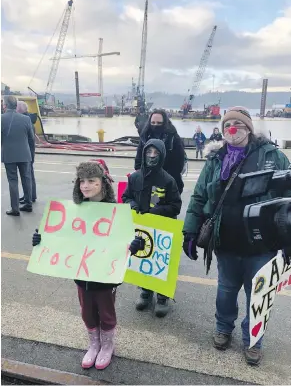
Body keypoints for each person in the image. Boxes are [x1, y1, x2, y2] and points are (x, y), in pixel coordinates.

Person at [182, 106, 291, 366]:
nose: (232, 130)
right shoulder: (215, 159)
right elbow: (198, 197)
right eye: (228, 124)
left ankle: (253, 340)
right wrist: (189, 230)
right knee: (226, 291)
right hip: (226, 241)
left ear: (249, 128)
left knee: (259, 296)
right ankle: (223, 328)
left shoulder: (272, 155)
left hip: (263, 245)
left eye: (238, 125)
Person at [32, 160, 139, 370]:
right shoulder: (74, 210)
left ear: (103, 183)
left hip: (106, 277)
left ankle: (107, 345)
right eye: (82, 181)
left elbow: (126, 242)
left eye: (91, 180)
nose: (85, 186)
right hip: (81, 275)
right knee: (87, 311)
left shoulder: (115, 211)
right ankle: (94, 343)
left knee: (106, 312)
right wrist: (40, 240)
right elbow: (60, 236)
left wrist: (135, 245)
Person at [123, 139, 182, 317]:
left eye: (156, 153)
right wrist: (132, 205)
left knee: (161, 261)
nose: (152, 156)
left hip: (162, 228)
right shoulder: (134, 177)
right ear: (144, 154)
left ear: (162, 155)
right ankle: (145, 292)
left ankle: (162, 297)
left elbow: (176, 206)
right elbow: (126, 197)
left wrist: (155, 211)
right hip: (141, 228)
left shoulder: (168, 180)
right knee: (144, 260)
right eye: (149, 152)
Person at [134, 109, 185, 194]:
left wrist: (166, 179)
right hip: (146, 181)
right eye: (153, 123)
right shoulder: (145, 136)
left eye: (159, 123)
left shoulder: (173, 138)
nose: (155, 125)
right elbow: (138, 159)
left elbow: (178, 163)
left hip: (169, 182)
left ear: (164, 123)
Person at [1, 95, 35, 216]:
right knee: (26, 179)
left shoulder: (1, 118)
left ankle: (15, 209)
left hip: (9, 155)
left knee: (13, 181)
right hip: (25, 154)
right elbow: (31, 138)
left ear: (4, 105)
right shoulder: (26, 119)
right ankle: (28, 204)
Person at [16, 101, 37, 203]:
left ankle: (29, 196)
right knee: (29, 175)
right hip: (29, 151)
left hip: (27, 152)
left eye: (16, 108)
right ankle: (29, 195)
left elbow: (28, 139)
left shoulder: (25, 120)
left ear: (19, 109)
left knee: (27, 176)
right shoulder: (28, 119)